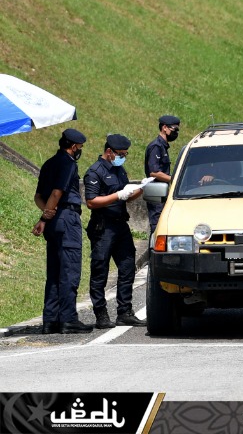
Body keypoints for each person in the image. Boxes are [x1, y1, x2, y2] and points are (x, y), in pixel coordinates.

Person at [32, 128, 92, 334]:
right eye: (80, 148)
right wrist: (48, 213)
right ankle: (68, 319)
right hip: (67, 219)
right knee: (69, 271)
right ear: (74, 146)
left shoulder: (48, 163)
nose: (80, 151)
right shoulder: (68, 164)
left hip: (53, 221)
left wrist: (46, 215)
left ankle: (50, 319)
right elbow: (57, 192)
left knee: (54, 272)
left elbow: (38, 196)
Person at [84, 134, 145, 328]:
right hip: (103, 227)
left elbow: (125, 198)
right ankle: (101, 315)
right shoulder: (95, 172)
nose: (123, 157)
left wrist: (141, 189)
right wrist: (117, 195)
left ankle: (124, 312)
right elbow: (91, 202)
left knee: (127, 267)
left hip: (121, 225)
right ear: (109, 152)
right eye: (120, 154)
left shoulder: (119, 170)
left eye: (126, 154)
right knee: (100, 270)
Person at [144, 115, 180, 236]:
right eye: (174, 129)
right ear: (164, 128)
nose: (176, 133)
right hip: (156, 193)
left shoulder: (163, 147)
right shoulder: (156, 146)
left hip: (161, 192)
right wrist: (175, 179)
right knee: (157, 226)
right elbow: (154, 172)